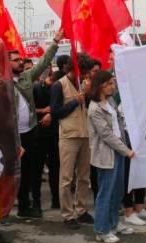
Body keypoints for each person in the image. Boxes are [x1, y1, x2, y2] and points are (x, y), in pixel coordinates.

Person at [12, 29, 63, 219]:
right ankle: (19, 204)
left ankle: (32, 206)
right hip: (13, 135)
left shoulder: (26, 77)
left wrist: (55, 42)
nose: (20, 62)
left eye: (20, 60)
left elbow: (42, 63)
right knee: (17, 173)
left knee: (32, 171)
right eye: (15, 60)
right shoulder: (0, 81)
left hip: (30, 132)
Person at [87, 70, 135, 243]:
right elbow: (106, 135)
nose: (113, 86)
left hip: (119, 150)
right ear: (101, 85)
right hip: (106, 154)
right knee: (105, 193)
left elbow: (119, 125)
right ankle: (101, 229)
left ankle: (114, 223)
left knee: (117, 191)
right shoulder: (95, 108)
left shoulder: (111, 101)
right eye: (110, 83)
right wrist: (126, 150)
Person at [51, 54, 95, 229]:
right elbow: (55, 113)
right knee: (67, 177)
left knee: (84, 176)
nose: (85, 75)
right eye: (83, 72)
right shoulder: (58, 85)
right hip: (69, 135)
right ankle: (68, 215)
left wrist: (88, 92)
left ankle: (82, 209)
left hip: (85, 133)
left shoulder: (83, 84)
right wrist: (74, 103)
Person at [33, 60, 62, 210]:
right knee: (37, 169)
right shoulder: (35, 88)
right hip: (39, 133)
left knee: (55, 168)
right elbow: (30, 109)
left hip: (54, 133)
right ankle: (36, 202)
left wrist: (52, 112)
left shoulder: (58, 86)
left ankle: (56, 199)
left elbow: (60, 106)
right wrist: (43, 111)